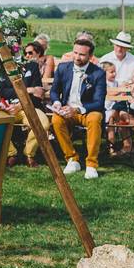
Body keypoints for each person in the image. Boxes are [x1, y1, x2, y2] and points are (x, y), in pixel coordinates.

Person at [49, 38, 106, 179]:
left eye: (82, 54)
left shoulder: (98, 73)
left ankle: (91, 164)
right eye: (75, 53)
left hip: (88, 110)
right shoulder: (63, 68)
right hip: (66, 110)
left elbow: (99, 103)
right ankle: (72, 159)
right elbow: (54, 91)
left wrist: (77, 109)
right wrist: (56, 102)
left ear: (90, 57)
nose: (77, 57)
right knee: (56, 120)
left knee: (95, 119)